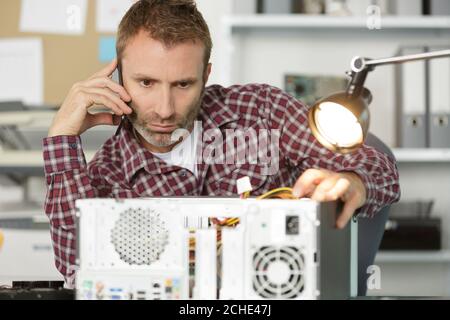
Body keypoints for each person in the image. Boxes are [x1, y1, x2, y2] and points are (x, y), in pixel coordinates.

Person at [43, 0, 400, 287]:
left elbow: (381, 168)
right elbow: (77, 270)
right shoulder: (108, 172)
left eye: (183, 84)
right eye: (146, 83)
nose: (165, 110)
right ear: (119, 77)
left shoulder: (261, 111)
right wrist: (62, 139)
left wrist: (353, 181)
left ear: (206, 76)